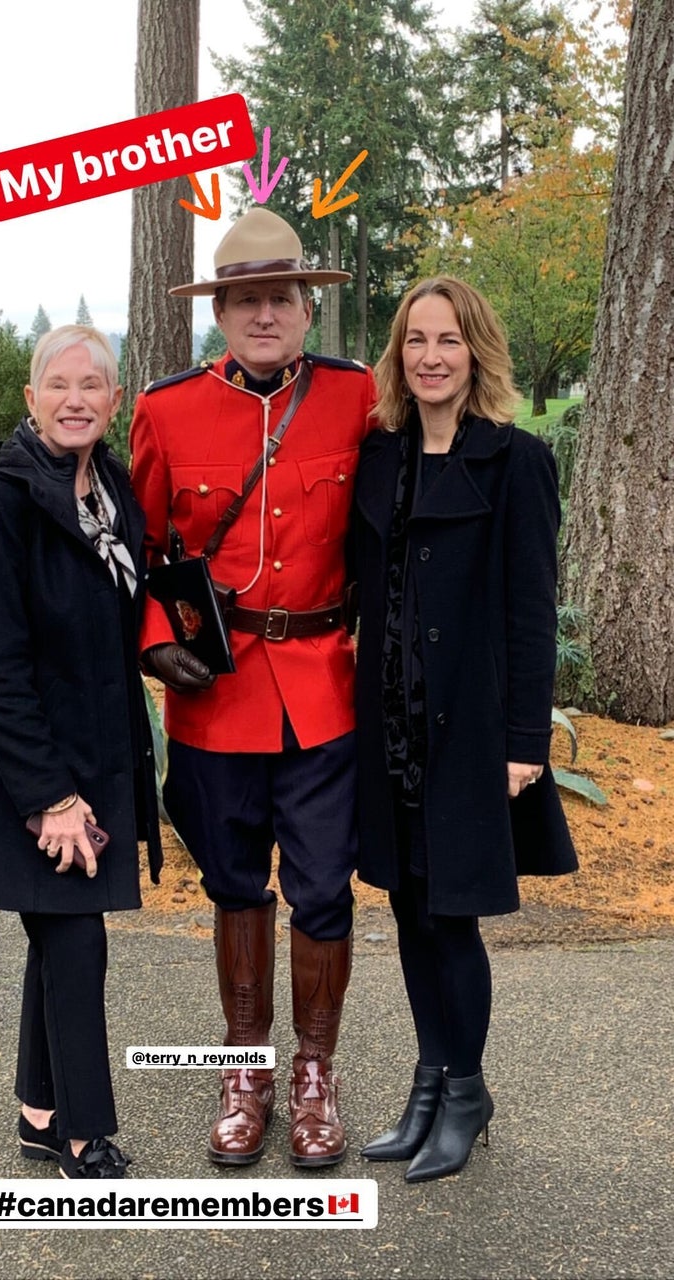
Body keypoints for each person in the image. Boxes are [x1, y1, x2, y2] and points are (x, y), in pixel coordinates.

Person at [129, 207, 377, 1168]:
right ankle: (249, 1068)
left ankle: (315, 1074)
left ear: (305, 308)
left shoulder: (357, 399)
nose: (263, 314)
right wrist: (153, 643)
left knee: (323, 892)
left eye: (280, 297)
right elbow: (141, 554)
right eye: (244, 300)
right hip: (214, 694)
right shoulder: (167, 410)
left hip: (322, 687)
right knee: (235, 884)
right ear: (220, 314)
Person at [353, 276, 577, 1182]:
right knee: (409, 911)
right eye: (415, 341)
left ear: (475, 351)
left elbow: (532, 611)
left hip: (472, 730)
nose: (431, 356)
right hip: (391, 723)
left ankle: (467, 1091)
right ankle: (426, 1084)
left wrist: (527, 742)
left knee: (453, 920)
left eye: (448, 340)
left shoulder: (515, 461)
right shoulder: (380, 456)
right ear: (399, 356)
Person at [0, 325, 163, 1180]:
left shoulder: (109, 486)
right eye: (59, 384)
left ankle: (40, 1112)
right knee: (77, 942)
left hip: (103, 757)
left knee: (60, 936)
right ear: (30, 399)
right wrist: (48, 797)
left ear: (115, 403)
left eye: (94, 385)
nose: (76, 399)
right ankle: (82, 1131)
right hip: (36, 769)